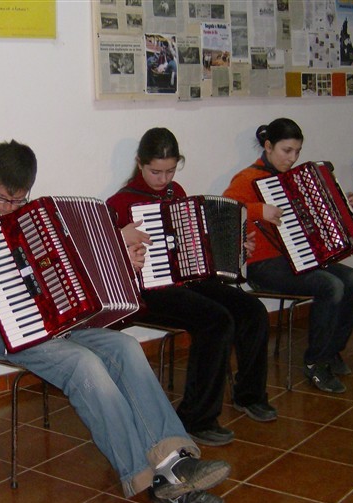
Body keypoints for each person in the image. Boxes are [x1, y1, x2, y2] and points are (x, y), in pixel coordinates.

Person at [0, 139, 232, 503]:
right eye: (3, 199)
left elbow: (81, 268)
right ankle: (148, 476)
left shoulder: (40, 219)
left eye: (19, 200)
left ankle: (174, 460)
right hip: (0, 332)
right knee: (82, 364)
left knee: (125, 348)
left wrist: (124, 258)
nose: (10, 208)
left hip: (58, 324)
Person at [107, 127, 275, 443]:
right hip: (147, 291)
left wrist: (238, 247)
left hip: (186, 280)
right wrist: (121, 243)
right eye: (155, 171)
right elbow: (104, 259)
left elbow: (194, 246)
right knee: (215, 320)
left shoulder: (177, 192)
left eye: (170, 170)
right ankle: (196, 418)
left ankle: (250, 395)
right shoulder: (119, 203)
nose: (163, 178)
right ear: (139, 163)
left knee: (251, 309)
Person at [223, 118, 353, 394]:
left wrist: (345, 206)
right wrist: (257, 210)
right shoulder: (246, 179)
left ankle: (331, 351)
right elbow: (225, 212)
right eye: (286, 150)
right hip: (261, 265)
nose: (292, 158)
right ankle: (315, 363)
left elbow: (316, 218)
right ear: (268, 146)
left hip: (297, 257)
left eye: (297, 151)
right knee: (331, 285)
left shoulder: (298, 180)